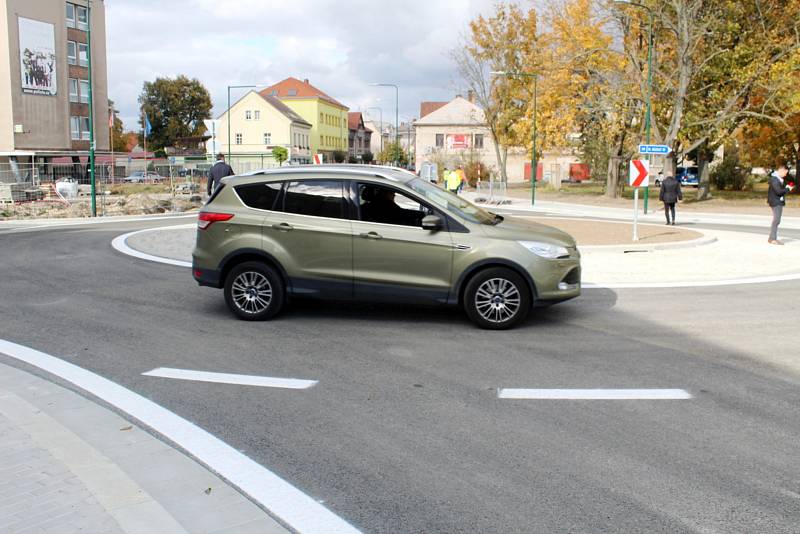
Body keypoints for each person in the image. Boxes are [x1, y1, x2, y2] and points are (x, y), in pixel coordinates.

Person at [767, 163, 795, 245]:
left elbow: (779, 190)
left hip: (776, 201)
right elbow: (779, 192)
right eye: (785, 173)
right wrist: (788, 188)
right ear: (781, 170)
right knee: (776, 220)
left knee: (776, 220)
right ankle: (772, 239)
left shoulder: (777, 178)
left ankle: (772, 238)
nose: (786, 175)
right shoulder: (775, 179)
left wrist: (786, 188)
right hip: (776, 202)